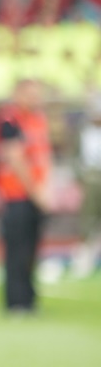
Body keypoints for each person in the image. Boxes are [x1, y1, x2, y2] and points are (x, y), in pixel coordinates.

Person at [0, 77, 53, 314]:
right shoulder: (9, 119)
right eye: (30, 94)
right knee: (17, 251)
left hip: (36, 194)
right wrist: (37, 193)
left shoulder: (37, 119)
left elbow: (43, 157)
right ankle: (16, 302)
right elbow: (16, 159)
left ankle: (29, 299)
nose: (35, 99)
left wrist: (46, 189)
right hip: (16, 196)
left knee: (32, 251)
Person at [72, 93, 101, 278]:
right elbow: (74, 157)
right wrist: (80, 177)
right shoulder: (82, 131)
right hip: (90, 178)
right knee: (88, 221)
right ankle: (85, 261)